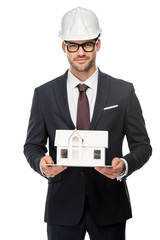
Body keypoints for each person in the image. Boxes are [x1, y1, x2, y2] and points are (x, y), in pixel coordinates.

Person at [24, 7, 152, 240]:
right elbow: (32, 146)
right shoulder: (44, 94)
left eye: (87, 45)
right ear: (64, 46)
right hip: (61, 206)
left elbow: (143, 146)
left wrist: (124, 165)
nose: (80, 52)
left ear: (98, 44)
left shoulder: (123, 91)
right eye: (73, 45)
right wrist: (40, 163)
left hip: (110, 206)